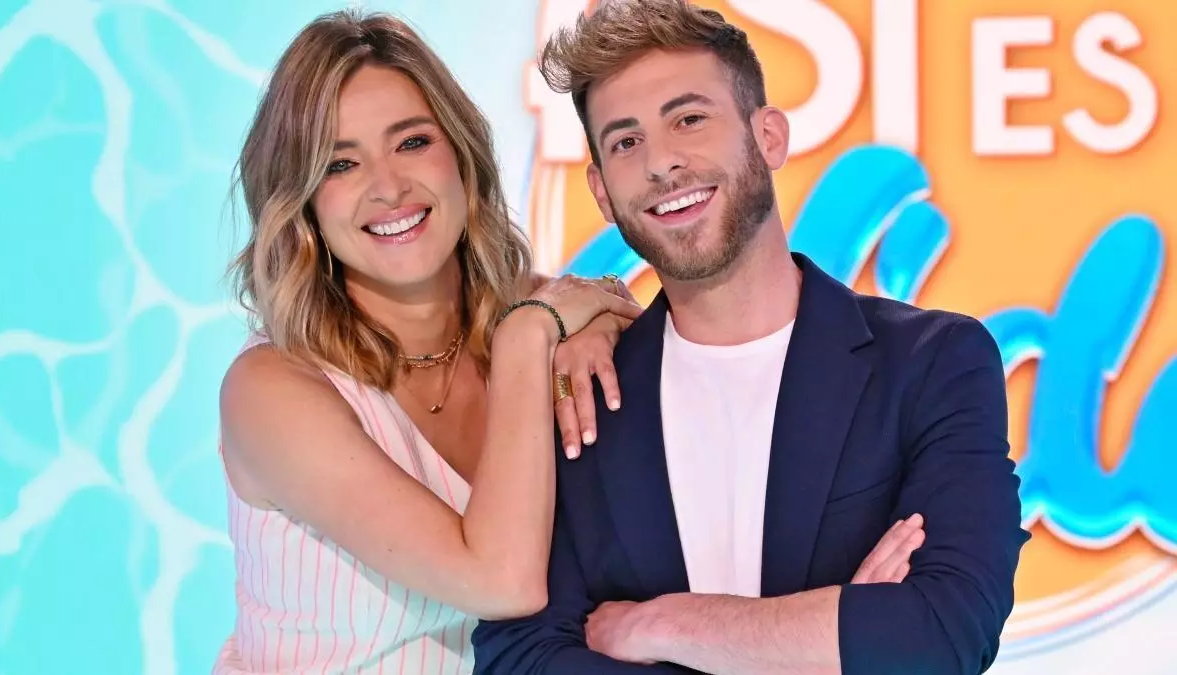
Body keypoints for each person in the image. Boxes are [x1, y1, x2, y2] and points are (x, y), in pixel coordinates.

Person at [472, 1, 1030, 674]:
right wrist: (832, 638)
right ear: (600, 191)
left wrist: (661, 624)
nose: (661, 162)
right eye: (625, 142)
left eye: (689, 119)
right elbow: (520, 657)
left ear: (768, 137)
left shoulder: (933, 363)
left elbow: (943, 629)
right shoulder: (577, 396)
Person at [212, 10, 643, 674]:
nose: (389, 188)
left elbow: (614, 307)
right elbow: (501, 582)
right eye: (340, 164)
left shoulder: (530, 311)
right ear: (303, 204)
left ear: (461, 156)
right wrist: (529, 338)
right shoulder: (271, 391)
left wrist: (600, 324)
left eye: (412, 142)